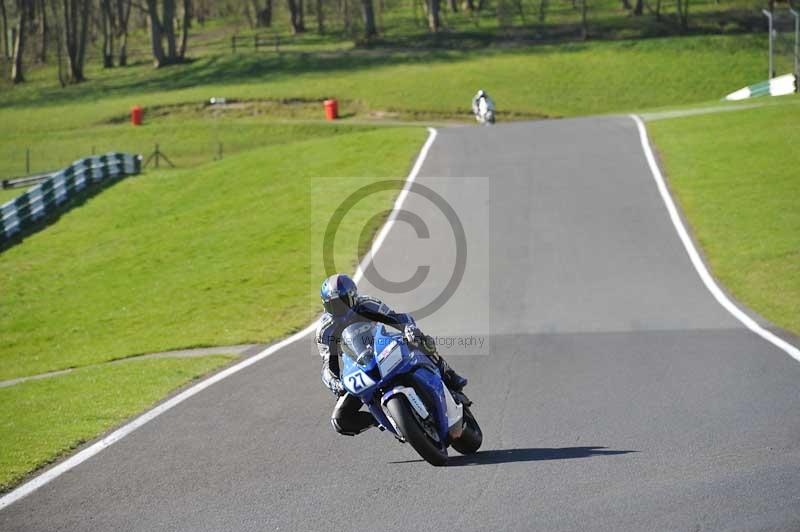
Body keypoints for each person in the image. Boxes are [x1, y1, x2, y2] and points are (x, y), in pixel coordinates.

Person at [316, 273, 468, 436]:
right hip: (358, 365)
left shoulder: (366, 303)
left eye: (342, 302)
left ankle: (448, 373)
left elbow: (397, 318)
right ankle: (384, 419)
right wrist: (335, 384)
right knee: (340, 420)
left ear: (353, 297)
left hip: (382, 346)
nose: (339, 309)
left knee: (419, 340)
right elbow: (328, 365)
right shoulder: (325, 329)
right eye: (333, 305)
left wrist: (408, 329)